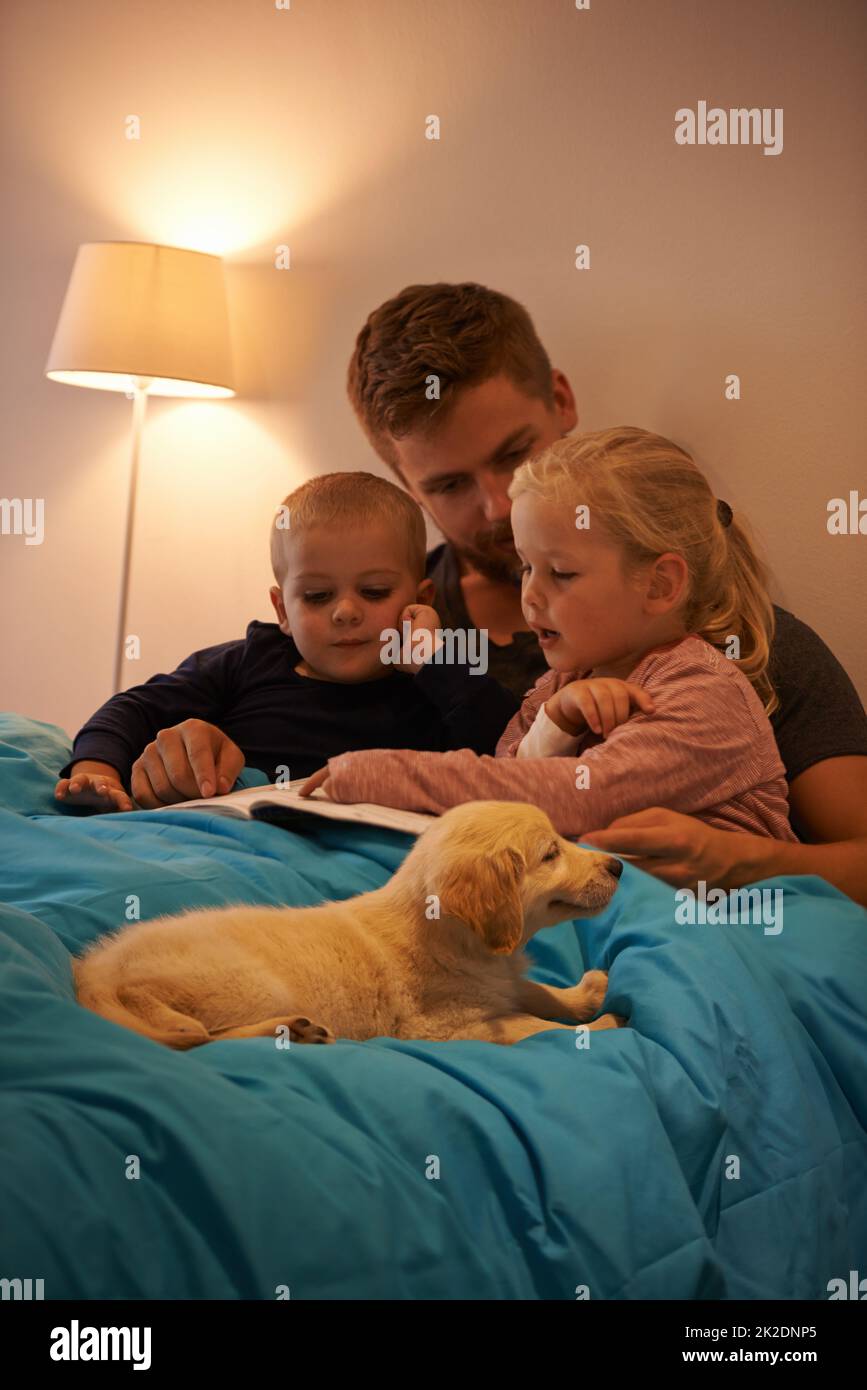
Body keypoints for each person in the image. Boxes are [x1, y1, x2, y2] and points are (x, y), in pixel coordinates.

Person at [341, 282, 867, 904]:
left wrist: (739, 862)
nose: (496, 504)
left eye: (514, 454)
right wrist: (202, 727)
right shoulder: (377, 631)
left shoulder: (736, 642)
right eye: (450, 484)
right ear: (404, 483)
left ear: (561, 401)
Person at [301, 427, 798, 845]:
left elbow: (585, 797)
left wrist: (383, 776)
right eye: (525, 568)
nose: (530, 597)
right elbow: (512, 783)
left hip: (719, 924)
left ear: (660, 584)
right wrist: (553, 725)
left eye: (560, 573)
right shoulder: (561, 683)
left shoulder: (705, 691)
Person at [54, 472, 517, 811]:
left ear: (421, 599)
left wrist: (432, 661)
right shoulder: (249, 661)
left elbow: (507, 750)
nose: (346, 611)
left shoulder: (440, 683)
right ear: (282, 611)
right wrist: (96, 770)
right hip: (225, 832)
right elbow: (133, 708)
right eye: (317, 596)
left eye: (374, 592)